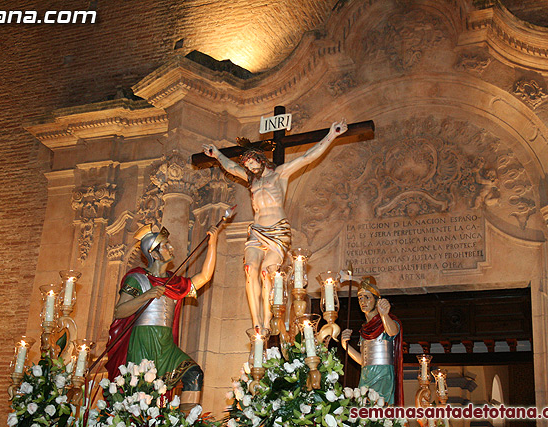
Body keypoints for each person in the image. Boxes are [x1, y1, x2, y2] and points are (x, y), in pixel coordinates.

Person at [203, 119, 348, 329]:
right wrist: (217, 154)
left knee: (267, 271)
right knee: (249, 269)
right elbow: (231, 167)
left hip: (278, 231)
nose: (250, 168)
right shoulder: (251, 179)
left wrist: (331, 135)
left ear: (261, 160)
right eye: (247, 165)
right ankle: (257, 323)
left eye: (253, 163)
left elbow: (307, 157)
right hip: (257, 230)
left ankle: (269, 318)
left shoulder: (280, 174)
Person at [105, 223, 219, 411]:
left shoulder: (173, 283)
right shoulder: (138, 278)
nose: (171, 248)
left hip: (165, 344)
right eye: (166, 245)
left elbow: (204, 277)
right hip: (143, 341)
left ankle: (185, 422)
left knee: (194, 374)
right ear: (154, 254)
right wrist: (146, 295)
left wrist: (213, 244)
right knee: (144, 394)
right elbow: (120, 311)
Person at [341, 277, 404, 406]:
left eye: (367, 297)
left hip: (383, 376)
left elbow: (393, 332)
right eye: (360, 298)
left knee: (380, 412)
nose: (363, 301)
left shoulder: (387, 322)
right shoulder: (364, 329)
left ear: (376, 300)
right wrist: (345, 345)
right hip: (365, 377)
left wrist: (384, 315)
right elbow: (364, 361)